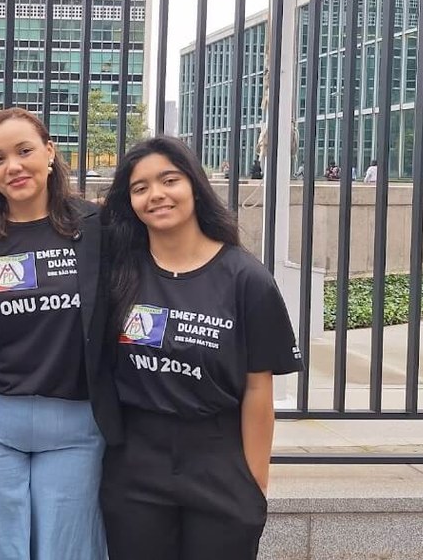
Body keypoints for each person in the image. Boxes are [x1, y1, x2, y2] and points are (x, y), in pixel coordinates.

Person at [99, 136, 301, 560]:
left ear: (193, 184)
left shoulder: (247, 279)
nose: (156, 195)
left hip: (218, 462)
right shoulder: (120, 275)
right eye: (140, 188)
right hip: (136, 464)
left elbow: (258, 390)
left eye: (168, 180)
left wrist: (254, 484)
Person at [0, 107, 121, 560]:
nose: (13, 166)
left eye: (24, 151)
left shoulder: (98, 228)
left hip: (77, 427)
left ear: (49, 152)